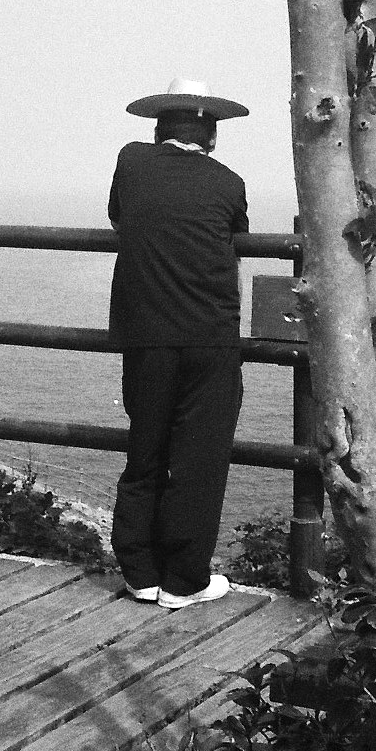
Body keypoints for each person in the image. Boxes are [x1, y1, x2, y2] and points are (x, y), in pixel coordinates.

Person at [107, 76, 250, 610]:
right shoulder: (228, 182)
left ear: (157, 128)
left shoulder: (131, 162)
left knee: (145, 449)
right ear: (211, 135)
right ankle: (183, 580)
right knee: (199, 460)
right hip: (210, 335)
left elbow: (119, 217)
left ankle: (140, 573)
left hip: (145, 332)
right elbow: (236, 234)